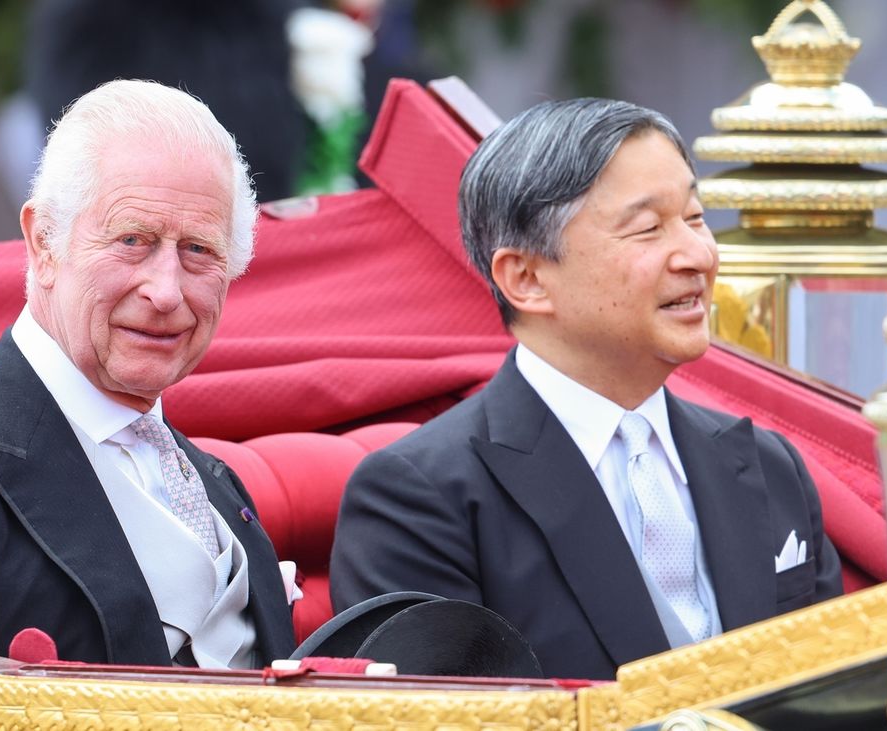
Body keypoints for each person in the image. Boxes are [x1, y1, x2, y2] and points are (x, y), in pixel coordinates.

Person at [328, 98, 842, 680]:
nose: (698, 255)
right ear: (526, 278)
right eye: (648, 229)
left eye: (696, 218)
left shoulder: (768, 465)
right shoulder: (421, 498)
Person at [0, 80, 296, 668]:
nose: (167, 291)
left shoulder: (219, 486)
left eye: (199, 250)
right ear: (44, 242)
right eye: (132, 241)